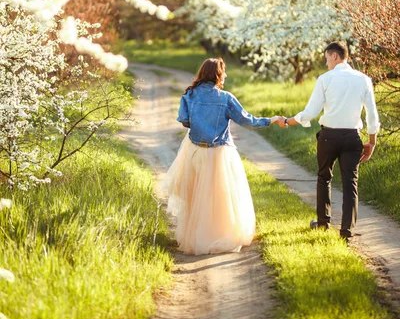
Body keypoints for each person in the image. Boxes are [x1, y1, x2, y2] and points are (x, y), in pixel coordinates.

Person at [162, 57, 279, 255]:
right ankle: (218, 234)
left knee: (196, 196)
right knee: (220, 197)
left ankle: (196, 237)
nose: (225, 75)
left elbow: (184, 120)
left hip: (194, 150)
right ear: (217, 74)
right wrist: (271, 120)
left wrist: (199, 123)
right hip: (219, 154)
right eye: (223, 71)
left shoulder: (189, 94)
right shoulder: (226, 98)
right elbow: (247, 120)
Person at [275, 41, 380, 240]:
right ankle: (347, 232)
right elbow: (372, 114)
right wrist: (372, 141)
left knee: (324, 178)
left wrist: (288, 122)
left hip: (328, 137)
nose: (326, 64)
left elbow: (311, 112)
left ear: (334, 56)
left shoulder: (325, 79)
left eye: (326, 59)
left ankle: (323, 224)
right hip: (352, 138)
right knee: (351, 183)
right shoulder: (364, 79)